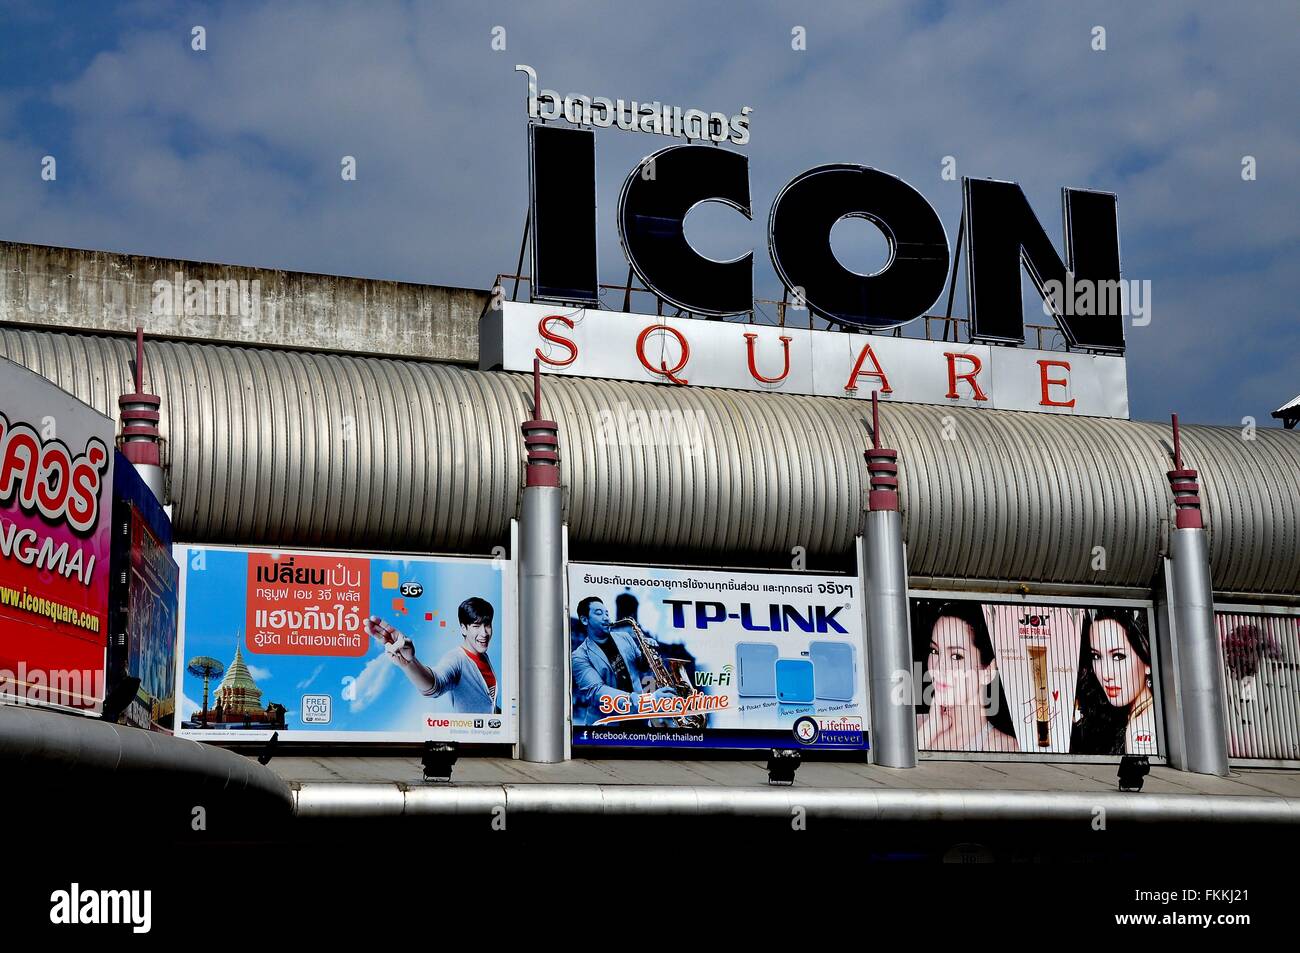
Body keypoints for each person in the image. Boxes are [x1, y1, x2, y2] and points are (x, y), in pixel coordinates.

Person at [914, 601, 1019, 752]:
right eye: (935, 651)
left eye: (956, 656)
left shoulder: (1005, 748)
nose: (938, 667)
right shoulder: (914, 727)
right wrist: (929, 731)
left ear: (988, 671)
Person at [365, 597, 500, 714]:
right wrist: (409, 663)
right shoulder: (456, 659)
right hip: (471, 741)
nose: (484, 633)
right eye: (476, 626)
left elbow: (487, 702)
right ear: (463, 628)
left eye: (487, 625)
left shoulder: (484, 656)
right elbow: (435, 685)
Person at [571, 596, 680, 726]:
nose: (606, 617)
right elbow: (597, 692)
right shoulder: (579, 656)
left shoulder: (625, 637)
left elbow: (642, 667)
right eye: (599, 613)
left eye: (607, 613)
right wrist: (649, 699)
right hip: (606, 727)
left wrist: (646, 654)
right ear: (584, 620)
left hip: (641, 719)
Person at [1069, 608, 1155, 755]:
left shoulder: (1140, 727)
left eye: (1118, 657)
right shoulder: (1125, 716)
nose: (1106, 674)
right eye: (1096, 657)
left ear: (1147, 661)